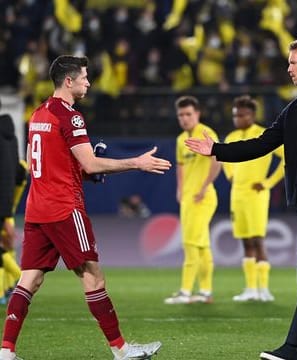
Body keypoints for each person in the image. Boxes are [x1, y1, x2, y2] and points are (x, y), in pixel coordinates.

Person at [186, 38, 297, 360]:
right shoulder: (294, 109)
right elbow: (261, 144)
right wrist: (216, 150)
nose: (288, 68)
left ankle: (292, 349)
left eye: (293, 62)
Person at [0, 55, 171, 360]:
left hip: (37, 208)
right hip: (65, 207)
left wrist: (83, 173)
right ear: (69, 81)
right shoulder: (70, 116)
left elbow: (36, 164)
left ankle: (6, 351)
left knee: (30, 279)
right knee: (93, 276)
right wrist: (137, 163)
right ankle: (121, 350)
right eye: (84, 77)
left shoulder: (38, 114)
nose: (88, 83)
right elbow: (89, 162)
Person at [223, 95, 284, 302]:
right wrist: (231, 175)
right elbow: (223, 158)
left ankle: (264, 289)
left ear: (251, 115)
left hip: (256, 195)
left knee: (258, 241)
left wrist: (267, 183)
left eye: (241, 115)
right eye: (235, 115)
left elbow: (287, 159)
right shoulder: (231, 136)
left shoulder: (263, 135)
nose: (237, 119)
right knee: (245, 242)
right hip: (237, 195)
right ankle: (250, 288)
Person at [164, 95, 221, 305]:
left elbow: (217, 162)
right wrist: (180, 189)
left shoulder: (206, 133)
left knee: (189, 243)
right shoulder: (181, 139)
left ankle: (186, 291)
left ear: (197, 114)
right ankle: (205, 292)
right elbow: (180, 165)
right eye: (181, 115)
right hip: (189, 197)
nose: (184, 118)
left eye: (188, 114)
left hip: (203, 197)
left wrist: (204, 187)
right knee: (202, 246)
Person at [0, 100, 20, 306]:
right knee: (6, 249)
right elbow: (15, 172)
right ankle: (7, 289)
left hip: (3, 204)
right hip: (8, 201)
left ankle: (19, 281)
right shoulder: (10, 137)